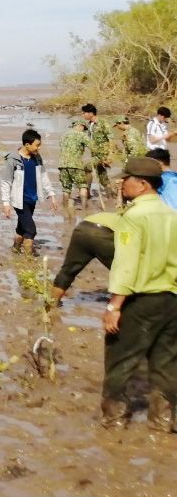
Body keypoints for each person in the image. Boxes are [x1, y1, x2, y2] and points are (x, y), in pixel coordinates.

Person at [98, 157, 177, 431]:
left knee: (120, 359)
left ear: (142, 184)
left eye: (126, 179)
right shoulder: (171, 214)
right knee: (166, 363)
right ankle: (163, 421)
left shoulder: (134, 217)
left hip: (139, 301)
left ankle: (114, 420)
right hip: (170, 300)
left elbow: (126, 264)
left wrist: (114, 306)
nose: (121, 183)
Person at [0, 129, 60, 255]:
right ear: (27, 145)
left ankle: (15, 249)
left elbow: (43, 176)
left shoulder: (37, 158)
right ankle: (28, 261)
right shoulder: (13, 160)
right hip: (19, 200)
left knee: (22, 228)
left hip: (32, 199)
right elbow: (6, 182)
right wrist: (6, 203)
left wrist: (52, 195)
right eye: (37, 145)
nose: (39, 148)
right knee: (31, 230)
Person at [50, 212, 122, 304]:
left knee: (67, 271)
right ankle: (121, 304)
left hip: (82, 227)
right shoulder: (136, 222)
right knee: (123, 271)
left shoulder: (121, 216)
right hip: (103, 232)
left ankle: (52, 303)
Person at [83, 104, 115, 199]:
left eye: (84, 113)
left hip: (102, 154)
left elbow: (111, 139)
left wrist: (110, 155)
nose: (83, 115)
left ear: (91, 113)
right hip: (95, 153)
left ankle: (86, 192)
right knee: (102, 176)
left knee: (87, 168)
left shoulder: (103, 123)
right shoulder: (90, 124)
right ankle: (111, 195)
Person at [59, 119, 91, 210]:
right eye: (83, 128)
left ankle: (65, 209)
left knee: (66, 188)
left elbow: (62, 147)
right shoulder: (81, 135)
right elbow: (92, 146)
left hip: (62, 165)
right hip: (76, 165)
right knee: (82, 185)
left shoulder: (64, 135)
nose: (83, 130)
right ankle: (84, 207)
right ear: (81, 126)